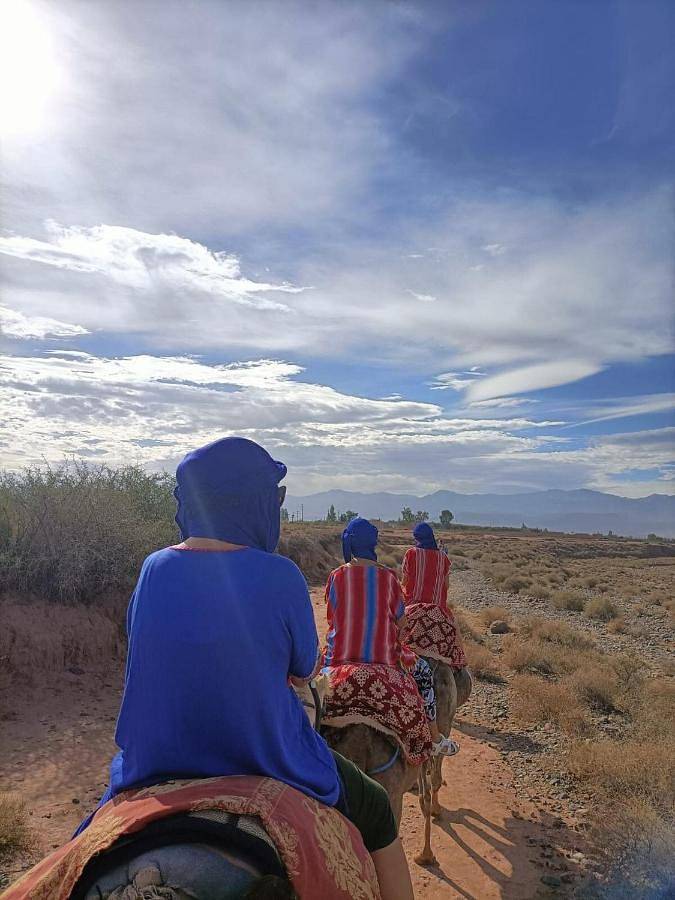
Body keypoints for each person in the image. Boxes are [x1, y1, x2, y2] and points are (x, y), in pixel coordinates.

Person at [83, 438, 413, 900]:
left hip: (154, 763)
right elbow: (305, 668)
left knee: (84, 846)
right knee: (375, 806)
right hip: (265, 753)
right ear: (256, 503)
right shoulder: (281, 574)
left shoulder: (153, 568)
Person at [324, 516, 458, 755]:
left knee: (306, 689)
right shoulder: (388, 578)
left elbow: (331, 619)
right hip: (385, 661)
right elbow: (402, 623)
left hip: (339, 660)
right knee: (424, 674)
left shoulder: (336, 576)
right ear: (372, 544)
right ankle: (435, 739)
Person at [401, 522, 469, 756]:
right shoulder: (444, 559)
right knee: (458, 657)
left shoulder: (411, 554)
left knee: (393, 650)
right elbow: (446, 585)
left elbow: (405, 583)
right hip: (440, 614)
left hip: (413, 612)